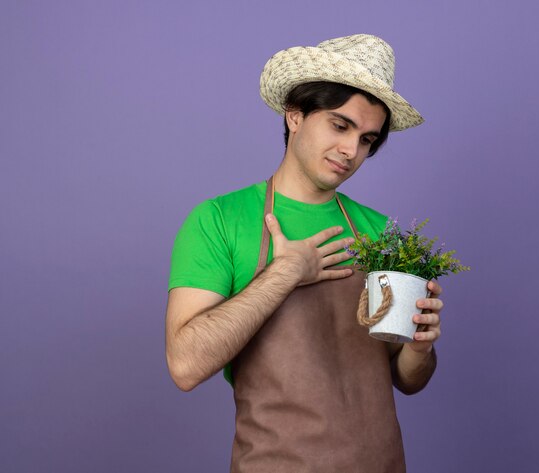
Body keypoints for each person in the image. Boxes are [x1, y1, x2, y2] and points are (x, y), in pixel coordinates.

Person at [165, 34, 444, 473]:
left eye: (367, 139)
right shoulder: (221, 219)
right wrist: (286, 273)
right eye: (340, 125)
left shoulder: (378, 231)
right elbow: (185, 365)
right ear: (295, 116)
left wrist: (420, 349)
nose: (352, 151)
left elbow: (403, 380)